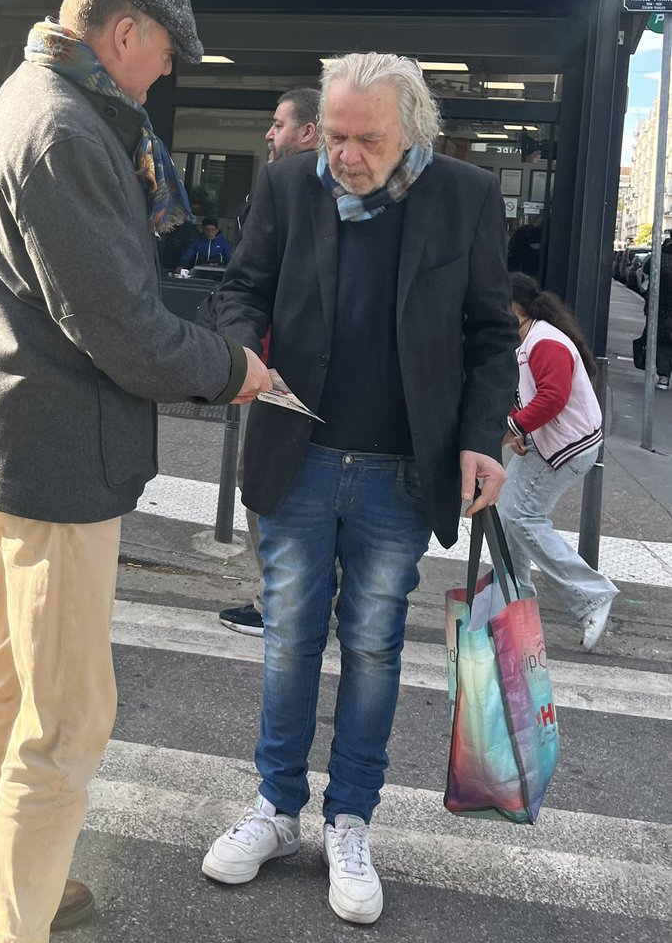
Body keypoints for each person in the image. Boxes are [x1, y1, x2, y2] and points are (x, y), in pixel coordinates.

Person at [0, 0, 271, 943]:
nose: (170, 71)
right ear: (124, 30)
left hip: (20, 444)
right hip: (59, 461)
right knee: (69, 720)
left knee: (11, 677)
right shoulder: (70, 132)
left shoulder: (35, 99)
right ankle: (12, 919)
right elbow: (122, 329)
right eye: (167, 51)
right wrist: (230, 370)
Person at [202, 52, 518, 924]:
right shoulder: (288, 186)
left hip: (399, 471)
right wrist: (241, 358)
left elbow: (493, 335)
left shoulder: (465, 196)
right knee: (287, 642)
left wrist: (483, 439)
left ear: (412, 129)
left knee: (373, 648)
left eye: (366, 139)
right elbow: (241, 289)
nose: (343, 154)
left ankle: (350, 820)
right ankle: (275, 809)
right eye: (333, 135)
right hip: (296, 455)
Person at [220, 86, 320, 636]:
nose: (269, 133)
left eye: (278, 124)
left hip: (282, 374)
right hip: (270, 368)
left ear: (307, 131)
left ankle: (279, 603)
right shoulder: (283, 186)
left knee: (266, 485)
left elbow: (256, 283)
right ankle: (287, 599)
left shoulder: (289, 189)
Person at [499, 273, 619, 649]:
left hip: (566, 447)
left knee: (520, 516)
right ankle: (514, 603)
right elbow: (536, 393)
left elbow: (552, 398)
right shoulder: (533, 336)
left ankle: (592, 595)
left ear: (514, 308)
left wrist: (514, 426)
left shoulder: (544, 341)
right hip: (555, 443)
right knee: (509, 514)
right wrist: (521, 431)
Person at [636, 236, 672, 389]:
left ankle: (663, 375)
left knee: (661, 340)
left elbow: (644, 275)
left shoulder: (658, 257)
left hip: (659, 306)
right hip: (661, 305)